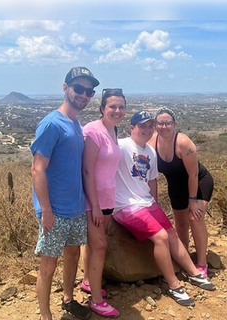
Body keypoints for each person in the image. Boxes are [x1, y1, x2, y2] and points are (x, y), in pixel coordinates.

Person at [113, 111, 215, 309]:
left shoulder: (152, 151)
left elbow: (153, 180)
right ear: (131, 127)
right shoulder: (121, 145)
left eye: (149, 126)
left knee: (173, 233)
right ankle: (174, 285)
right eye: (142, 126)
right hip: (126, 205)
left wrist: (154, 203)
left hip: (151, 200)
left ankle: (195, 271)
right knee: (161, 237)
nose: (147, 129)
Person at [30, 66, 99, 320]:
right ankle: (45, 316)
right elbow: (37, 169)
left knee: (71, 254)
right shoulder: (52, 123)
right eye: (79, 88)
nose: (83, 94)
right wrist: (46, 210)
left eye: (89, 91)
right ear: (65, 88)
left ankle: (68, 299)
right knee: (48, 264)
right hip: (56, 210)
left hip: (75, 207)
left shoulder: (74, 122)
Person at [148, 107, 214, 282]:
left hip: (198, 182)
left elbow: (193, 174)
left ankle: (201, 263)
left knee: (195, 217)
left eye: (168, 123)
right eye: (160, 123)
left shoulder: (183, 142)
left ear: (174, 124)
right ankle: (184, 259)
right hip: (176, 185)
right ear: (155, 125)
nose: (164, 126)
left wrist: (193, 200)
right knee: (181, 223)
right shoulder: (151, 142)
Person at [81, 88, 126, 318]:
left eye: (121, 107)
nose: (117, 111)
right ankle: (96, 300)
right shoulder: (93, 130)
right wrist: (95, 205)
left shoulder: (113, 130)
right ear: (102, 109)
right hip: (93, 201)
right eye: (112, 107)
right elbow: (87, 169)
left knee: (94, 245)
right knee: (99, 245)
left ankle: (89, 281)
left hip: (107, 198)